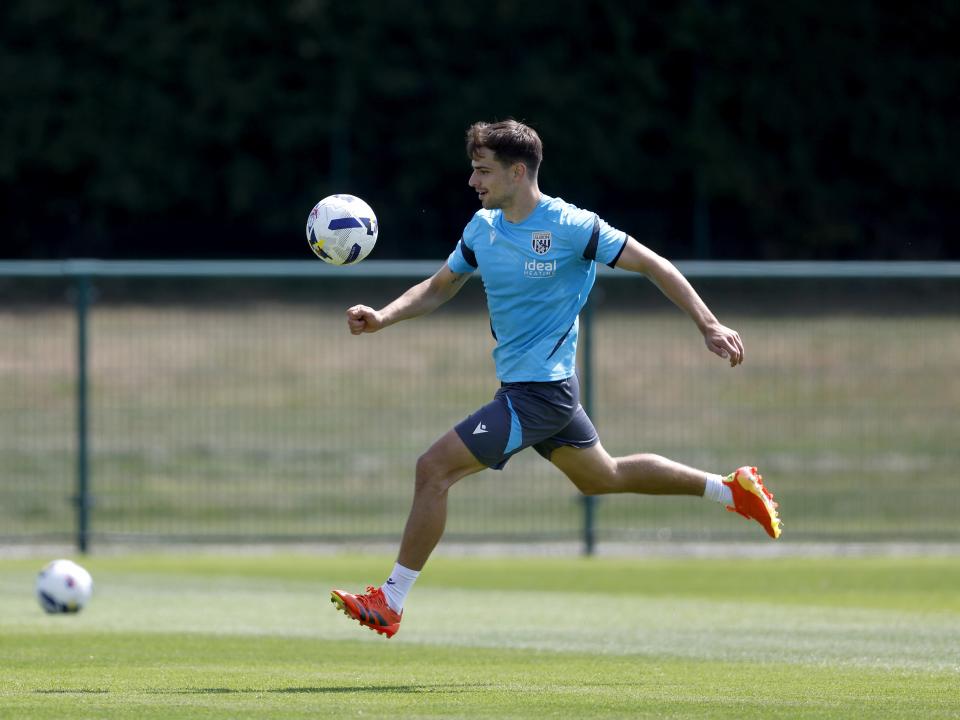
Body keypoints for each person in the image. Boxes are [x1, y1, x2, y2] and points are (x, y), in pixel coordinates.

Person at [330, 119, 781, 638]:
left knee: (433, 469)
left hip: (541, 392)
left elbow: (655, 264)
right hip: (534, 391)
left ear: (518, 172)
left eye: (483, 171)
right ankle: (731, 492)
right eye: (473, 170)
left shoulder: (572, 226)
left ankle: (391, 599)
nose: (473, 182)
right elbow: (439, 287)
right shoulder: (482, 229)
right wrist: (384, 316)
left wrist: (708, 324)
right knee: (602, 476)